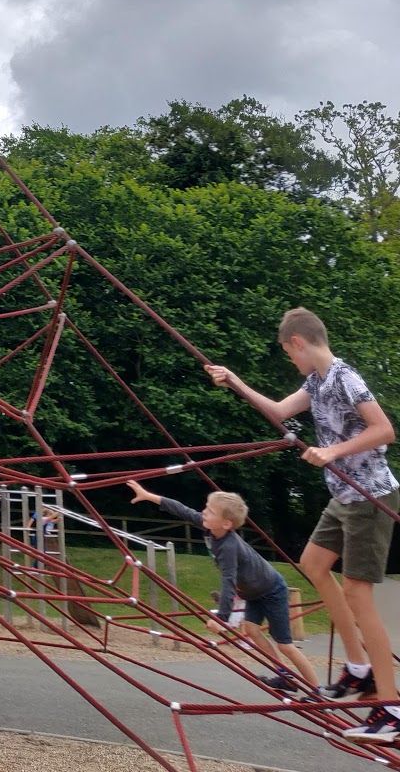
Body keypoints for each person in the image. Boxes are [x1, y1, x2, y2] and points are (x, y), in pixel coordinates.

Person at [206, 307, 400, 744]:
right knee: (312, 564)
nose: (291, 363)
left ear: (298, 343)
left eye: (289, 354)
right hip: (342, 497)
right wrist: (235, 381)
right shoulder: (315, 382)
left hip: (370, 496)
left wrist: (332, 453)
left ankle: (390, 709)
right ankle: (358, 670)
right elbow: (277, 411)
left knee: (357, 592)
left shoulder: (345, 378)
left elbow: (384, 430)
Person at [126, 479, 320, 697]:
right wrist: (149, 495)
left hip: (272, 590)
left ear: (226, 523)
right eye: (206, 508)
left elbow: (228, 581)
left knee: (284, 644)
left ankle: (315, 689)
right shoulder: (209, 527)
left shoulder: (229, 546)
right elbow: (182, 509)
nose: (203, 512)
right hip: (253, 592)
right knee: (252, 630)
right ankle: (285, 676)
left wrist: (222, 619)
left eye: (210, 511)